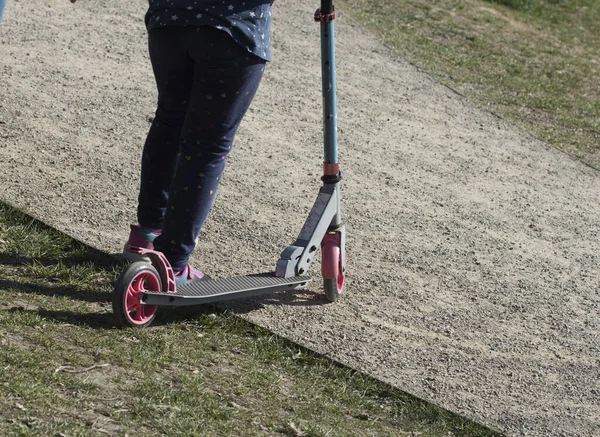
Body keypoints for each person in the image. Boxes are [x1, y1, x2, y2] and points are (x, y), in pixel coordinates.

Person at [73, 0, 274, 285]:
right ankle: (173, 263)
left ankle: (147, 234)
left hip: (169, 21)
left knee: (169, 122)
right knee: (207, 145)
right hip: (233, 30)